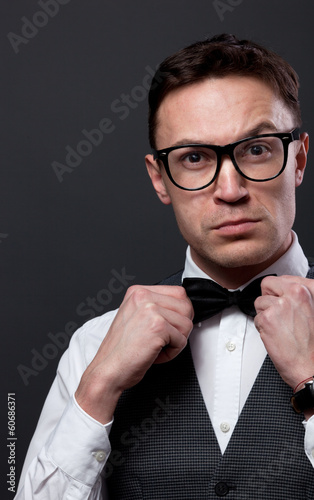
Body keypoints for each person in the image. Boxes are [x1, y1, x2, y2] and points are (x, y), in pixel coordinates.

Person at [15, 33, 314, 499]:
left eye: (256, 149)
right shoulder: (95, 345)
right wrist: (98, 388)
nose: (230, 189)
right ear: (160, 178)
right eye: (195, 158)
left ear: (298, 159)